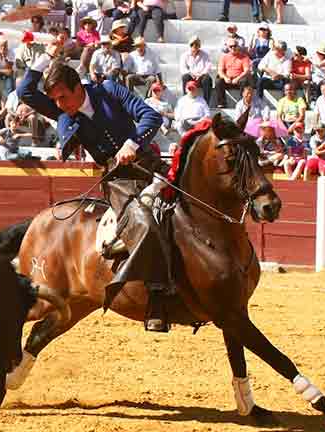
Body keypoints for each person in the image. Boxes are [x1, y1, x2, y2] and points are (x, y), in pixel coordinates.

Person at [17, 43, 172, 332]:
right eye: (56, 100)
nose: (60, 106)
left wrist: (131, 143)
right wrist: (47, 57)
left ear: (78, 88)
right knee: (144, 223)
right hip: (118, 181)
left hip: (149, 164)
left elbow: (152, 117)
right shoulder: (64, 109)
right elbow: (25, 92)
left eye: (63, 97)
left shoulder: (110, 90)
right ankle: (158, 298)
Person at [215, 40, 251, 108]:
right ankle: (221, 103)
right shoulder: (224, 57)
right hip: (228, 79)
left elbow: (247, 71)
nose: (233, 48)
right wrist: (225, 78)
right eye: (231, 46)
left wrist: (237, 78)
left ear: (238, 46)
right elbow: (220, 71)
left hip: (239, 79)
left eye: (235, 46)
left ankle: (242, 103)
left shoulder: (244, 57)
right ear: (228, 47)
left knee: (244, 80)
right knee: (218, 81)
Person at [180, 36, 212, 105]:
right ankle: (186, 100)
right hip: (191, 76)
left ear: (199, 46)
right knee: (185, 77)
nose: (194, 46)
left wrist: (201, 74)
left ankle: (206, 102)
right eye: (192, 44)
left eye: (196, 44)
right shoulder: (185, 55)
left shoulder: (205, 54)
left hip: (201, 76)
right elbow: (183, 68)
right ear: (190, 45)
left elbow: (208, 67)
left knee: (207, 78)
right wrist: (191, 74)